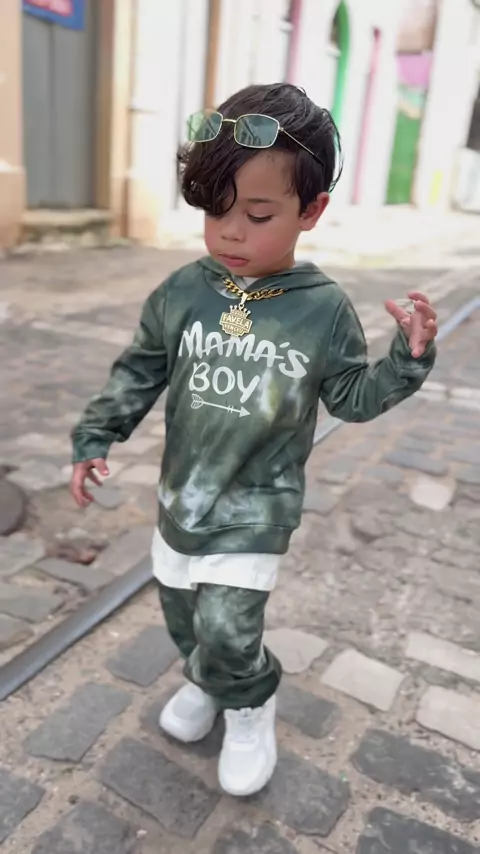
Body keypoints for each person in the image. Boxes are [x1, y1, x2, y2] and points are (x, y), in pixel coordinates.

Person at [70, 83, 437, 797]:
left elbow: (352, 397)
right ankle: (207, 681)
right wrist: (95, 436)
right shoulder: (183, 291)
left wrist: (406, 359)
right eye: (216, 211)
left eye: (258, 215)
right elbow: (140, 370)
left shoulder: (322, 309)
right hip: (182, 499)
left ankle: (249, 702)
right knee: (184, 615)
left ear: (311, 211)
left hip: (257, 509)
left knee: (229, 627)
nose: (231, 233)